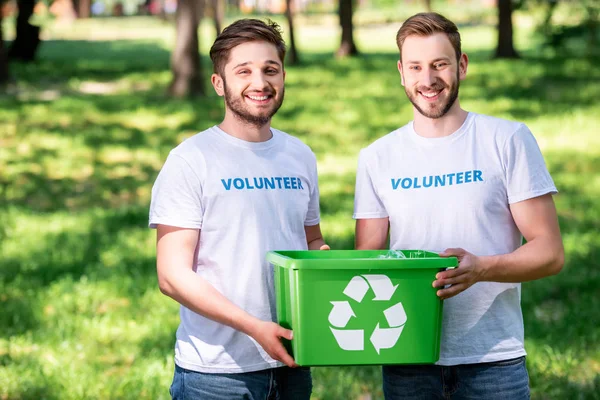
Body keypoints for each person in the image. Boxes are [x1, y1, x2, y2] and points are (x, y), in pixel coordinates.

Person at [353, 12, 564, 399]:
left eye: (439, 64)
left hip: (492, 361)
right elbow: (367, 264)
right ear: (401, 72)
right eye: (416, 66)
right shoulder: (376, 157)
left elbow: (550, 253)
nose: (428, 79)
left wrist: (481, 269)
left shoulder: (507, 139)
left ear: (462, 66)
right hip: (407, 357)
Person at [149, 19, 328, 399]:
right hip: (216, 374)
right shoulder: (191, 160)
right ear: (219, 83)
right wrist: (253, 326)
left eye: (270, 70)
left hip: (293, 363)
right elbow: (171, 275)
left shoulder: (300, 156)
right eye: (243, 71)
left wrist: (322, 264)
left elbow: (311, 242)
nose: (260, 83)